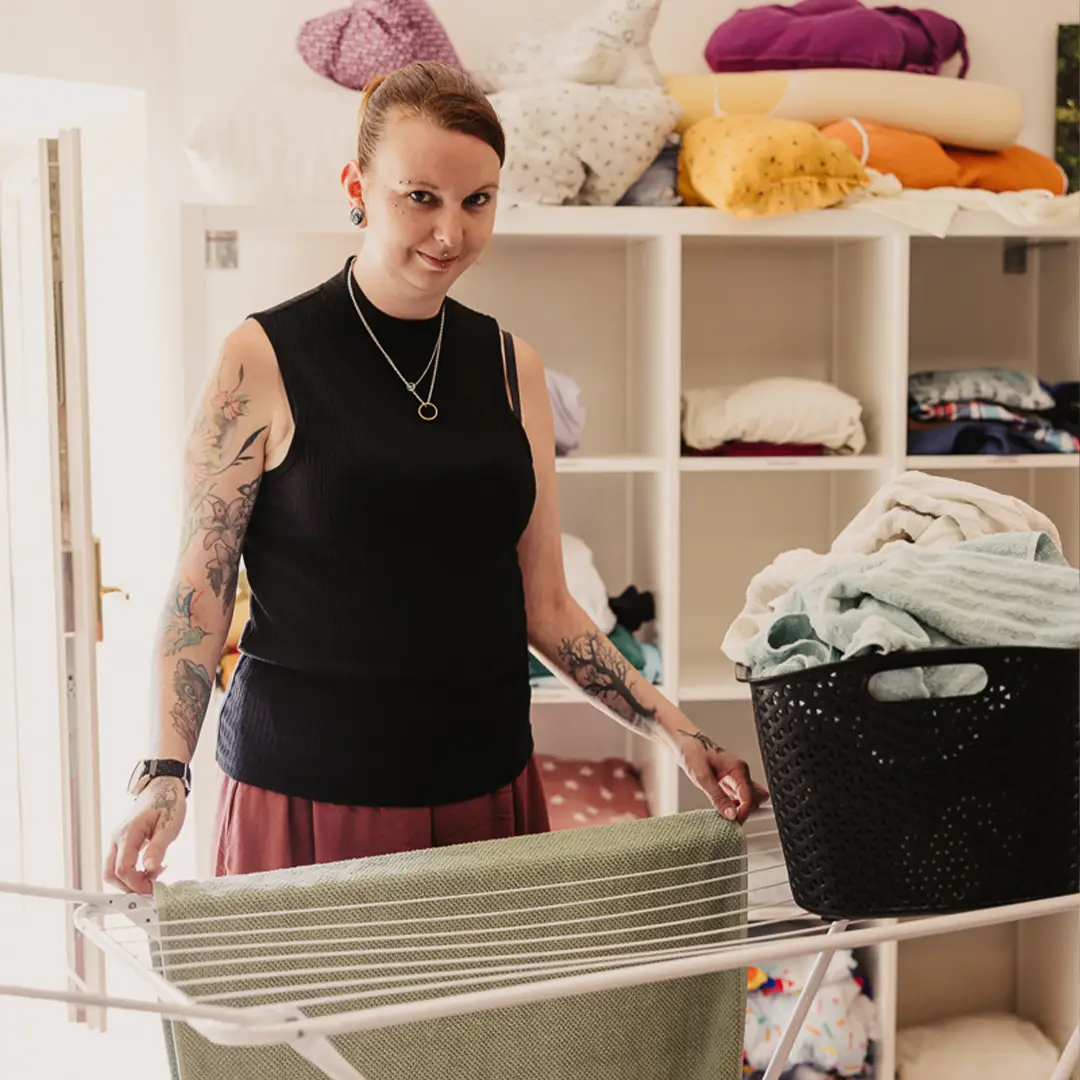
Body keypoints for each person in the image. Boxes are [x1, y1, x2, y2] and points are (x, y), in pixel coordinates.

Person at [104, 61, 767, 896]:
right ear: (357, 188)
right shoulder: (261, 357)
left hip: (483, 792)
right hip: (305, 793)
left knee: (491, 994)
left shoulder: (514, 369)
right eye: (421, 197)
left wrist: (679, 734)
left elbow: (547, 606)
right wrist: (165, 772)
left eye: (476, 201)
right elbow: (199, 590)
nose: (450, 233)